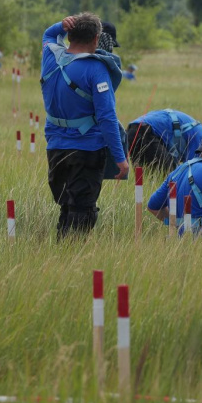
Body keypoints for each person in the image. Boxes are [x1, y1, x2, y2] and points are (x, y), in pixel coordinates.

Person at [41, 13, 128, 239]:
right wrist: (120, 159)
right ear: (96, 39)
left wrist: (60, 24)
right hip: (87, 150)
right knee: (83, 210)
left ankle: (61, 253)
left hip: (55, 148)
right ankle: (72, 258)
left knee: (67, 205)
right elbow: (107, 117)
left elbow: (49, 34)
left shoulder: (50, 56)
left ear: (69, 34)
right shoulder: (96, 69)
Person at [127, 109, 202, 172]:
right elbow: (191, 170)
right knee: (169, 176)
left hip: (131, 130)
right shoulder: (201, 137)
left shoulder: (196, 128)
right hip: (145, 132)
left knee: (142, 179)